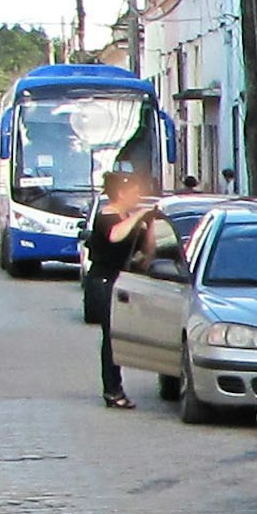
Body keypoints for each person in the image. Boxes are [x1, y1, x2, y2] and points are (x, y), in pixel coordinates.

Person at [80, 172, 174, 410]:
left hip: (123, 280)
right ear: (121, 194)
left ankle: (115, 387)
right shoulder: (107, 216)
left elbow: (147, 251)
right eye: (134, 192)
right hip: (102, 281)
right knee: (111, 336)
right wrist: (140, 214)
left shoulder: (128, 218)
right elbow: (115, 236)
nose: (137, 196)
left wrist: (150, 225)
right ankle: (112, 390)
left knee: (118, 334)